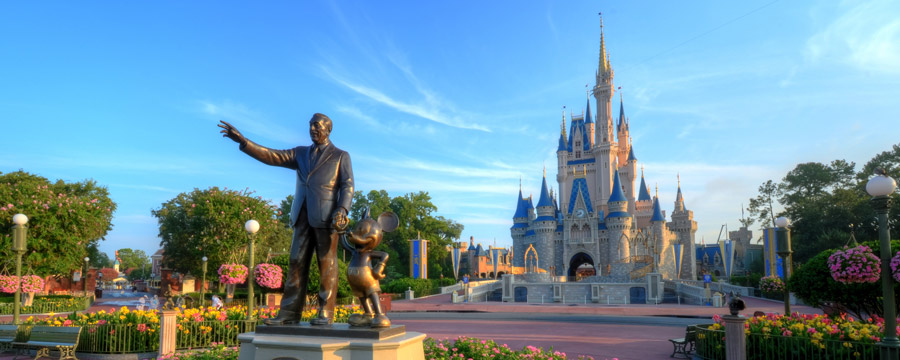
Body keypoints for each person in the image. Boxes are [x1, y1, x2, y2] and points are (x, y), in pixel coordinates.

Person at [219, 113, 354, 326]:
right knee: (296, 262)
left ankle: (325, 313)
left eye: (317, 126)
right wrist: (245, 142)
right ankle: (289, 314)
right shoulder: (300, 153)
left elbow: (347, 185)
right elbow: (272, 156)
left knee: (326, 265)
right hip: (301, 215)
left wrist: (343, 209)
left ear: (328, 129)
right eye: (310, 126)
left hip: (327, 218)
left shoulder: (340, 156)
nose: (312, 129)